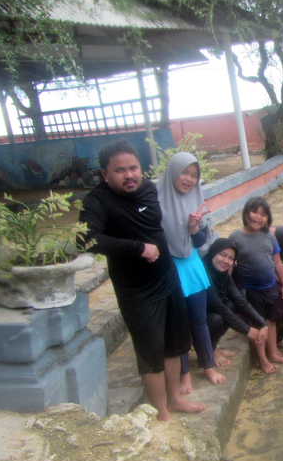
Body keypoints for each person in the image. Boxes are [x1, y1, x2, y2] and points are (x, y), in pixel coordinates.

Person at [79, 139, 205, 421]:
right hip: (137, 292)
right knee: (151, 354)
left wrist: (193, 226)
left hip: (168, 279)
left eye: (133, 168)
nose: (129, 175)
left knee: (174, 345)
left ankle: (174, 400)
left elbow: (179, 192)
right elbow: (85, 239)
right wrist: (138, 247)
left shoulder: (149, 189)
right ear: (105, 175)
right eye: (120, 170)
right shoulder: (98, 201)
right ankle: (161, 412)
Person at [158, 152, 225, 393]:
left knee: (199, 320)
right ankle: (184, 374)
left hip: (191, 265)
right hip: (168, 267)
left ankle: (208, 366)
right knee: (179, 325)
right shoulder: (156, 200)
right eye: (184, 172)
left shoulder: (195, 199)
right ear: (173, 171)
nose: (189, 179)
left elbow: (200, 242)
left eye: (194, 175)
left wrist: (194, 226)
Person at [228, 197, 283, 373]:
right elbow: (230, 262)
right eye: (254, 212)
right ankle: (263, 360)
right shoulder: (236, 237)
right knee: (258, 324)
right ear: (246, 213)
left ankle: (273, 353)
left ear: (268, 218)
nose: (258, 217)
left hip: (270, 288)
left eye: (263, 214)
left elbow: (277, 263)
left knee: (271, 321)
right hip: (251, 290)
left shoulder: (269, 236)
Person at [202, 238, 269, 365]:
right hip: (190, 321)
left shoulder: (225, 277)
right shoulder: (203, 274)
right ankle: (209, 351)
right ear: (213, 252)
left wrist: (262, 323)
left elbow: (241, 302)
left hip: (210, 312)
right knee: (217, 318)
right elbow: (218, 307)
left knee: (232, 306)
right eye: (222, 255)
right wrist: (247, 330)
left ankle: (213, 347)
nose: (226, 261)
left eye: (231, 258)